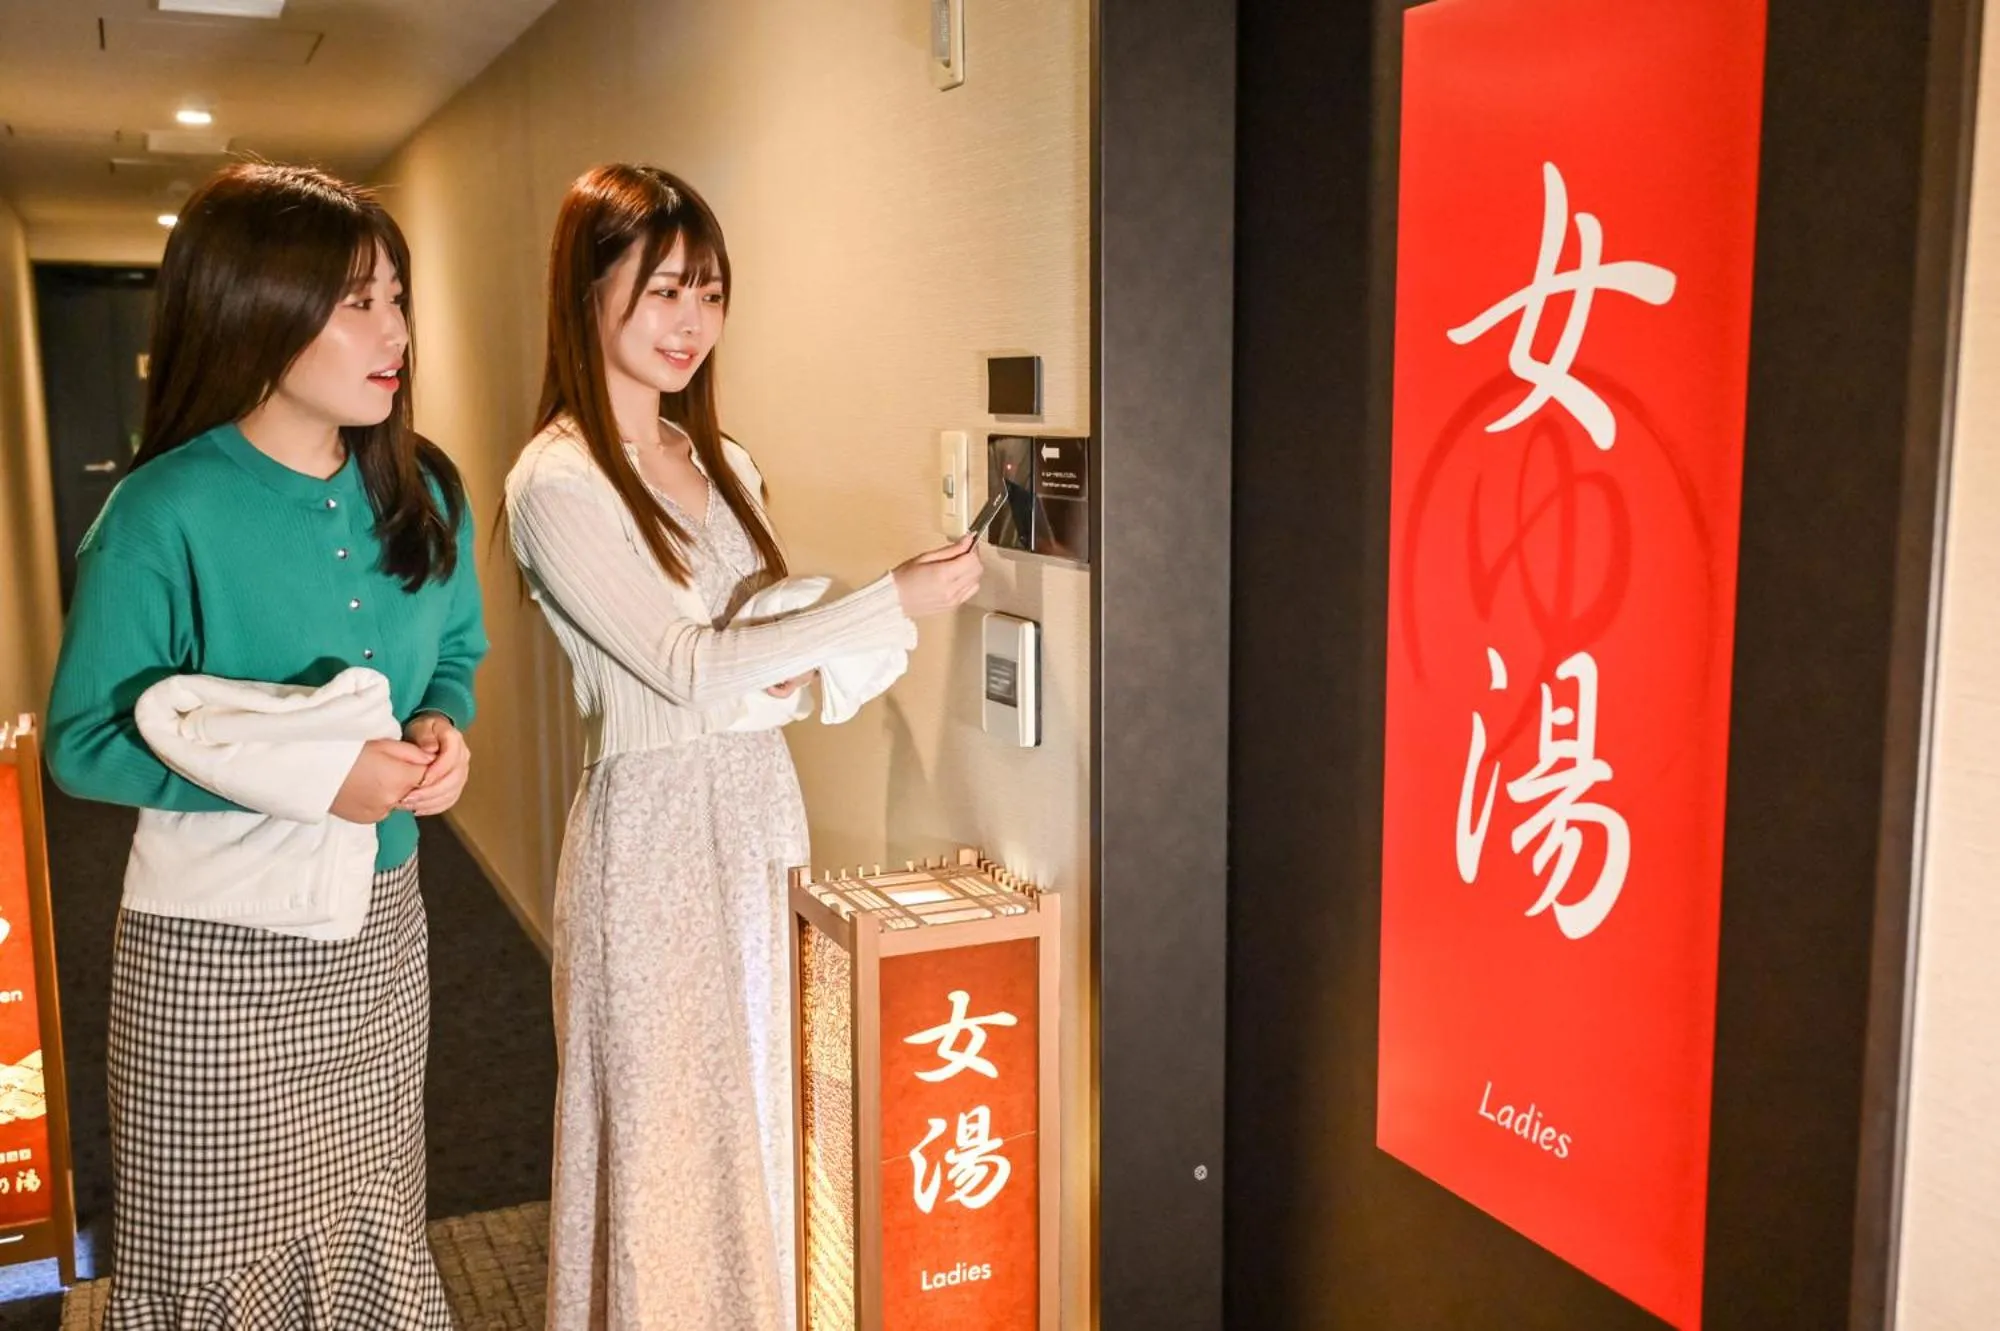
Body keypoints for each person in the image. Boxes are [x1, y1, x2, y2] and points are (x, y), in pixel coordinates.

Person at [505, 163, 982, 1329]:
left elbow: (770, 662)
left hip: (760, 811)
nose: (690, 322)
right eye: (663, 288)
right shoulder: (555, 481)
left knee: (766, 1115)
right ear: (587, 289)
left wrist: (820, 646)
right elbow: (685, 668)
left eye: (709, 293)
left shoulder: (725, 460)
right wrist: (887, 601)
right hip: (655, 833)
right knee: (667, 1132)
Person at [44, 162, 487, 1328]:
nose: (392, 331)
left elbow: (457, 655)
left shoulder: (425, 487)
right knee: (213, 1241)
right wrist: (312, 776)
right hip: (218, 949)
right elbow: (84, 742)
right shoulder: (161, 512)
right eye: (355, 301)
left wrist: (442, 728)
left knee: (371, 1213)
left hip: (382, 921)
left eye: (396, 296)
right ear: (256, 310)